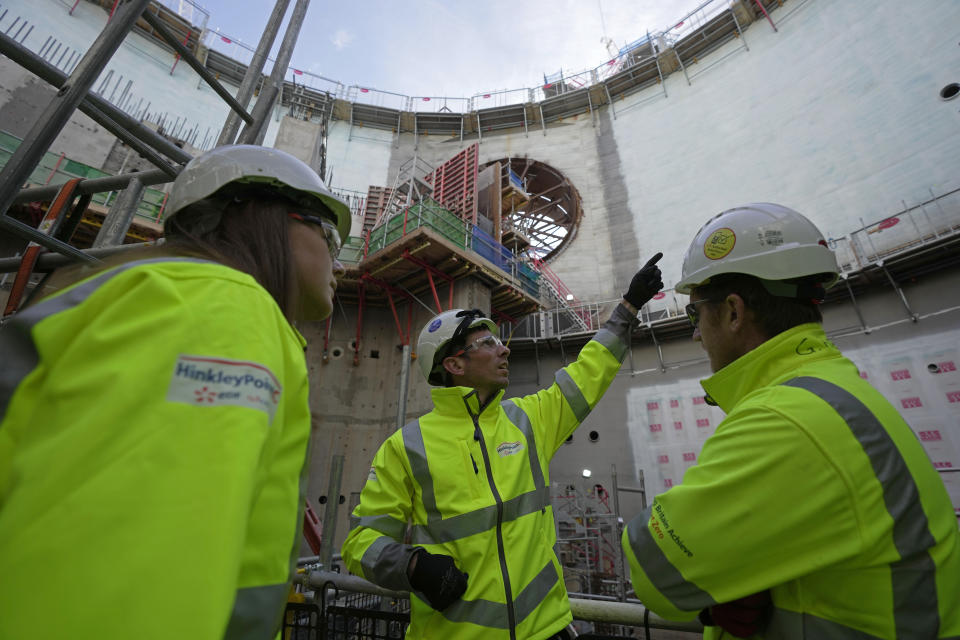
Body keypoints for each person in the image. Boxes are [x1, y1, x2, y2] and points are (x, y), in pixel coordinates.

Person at [0, 145, 350, 639]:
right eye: (329, 235)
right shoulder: (217, 309)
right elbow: (129, 575)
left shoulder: (177, 298)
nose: (338, 263)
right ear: (268, 217)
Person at [622, 203, 960, 639]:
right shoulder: (834, 391)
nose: (695, 334)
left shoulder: (780, 419)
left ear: (733, 312)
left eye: (695, 315)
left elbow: (656, 574)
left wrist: (722, 588)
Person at [342, 253, 665, 640]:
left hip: (548, 631)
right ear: (455, 365)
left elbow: (588, 373)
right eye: (488, 342)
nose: (504, 349)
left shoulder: (529, 420)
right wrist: (412, 566)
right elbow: (360, 544)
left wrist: (627, 310)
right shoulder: (405, 448)